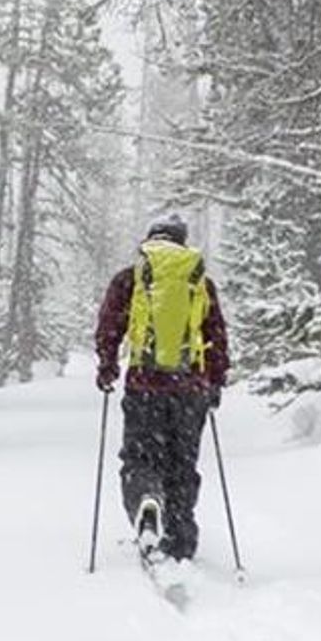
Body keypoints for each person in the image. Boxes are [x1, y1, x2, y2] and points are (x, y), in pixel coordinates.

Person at [93, 212, 231, 562]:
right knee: (182, 463)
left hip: (145, 387)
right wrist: (215, 382)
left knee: (140, 457)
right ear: (182, 242)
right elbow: (216, 335)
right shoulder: (199, 281)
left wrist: (107, 367)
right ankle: (181, 538)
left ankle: (146, 500)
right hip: (190, 391)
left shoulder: (131, 279)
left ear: (149, 240)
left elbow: (110, 326)